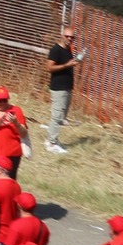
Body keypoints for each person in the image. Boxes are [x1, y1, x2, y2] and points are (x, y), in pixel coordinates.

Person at [46, 23, 80, 153]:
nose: (70, 39)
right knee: (57, 116)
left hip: (67, 87)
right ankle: (51, 142)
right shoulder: (55, 50)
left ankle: (53, 138)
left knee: (62, 116)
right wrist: (67, 65)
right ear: (62, 36)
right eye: (67, 36)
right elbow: (49, 68)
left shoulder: (68, 50)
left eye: (72, 37)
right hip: (58, 87)